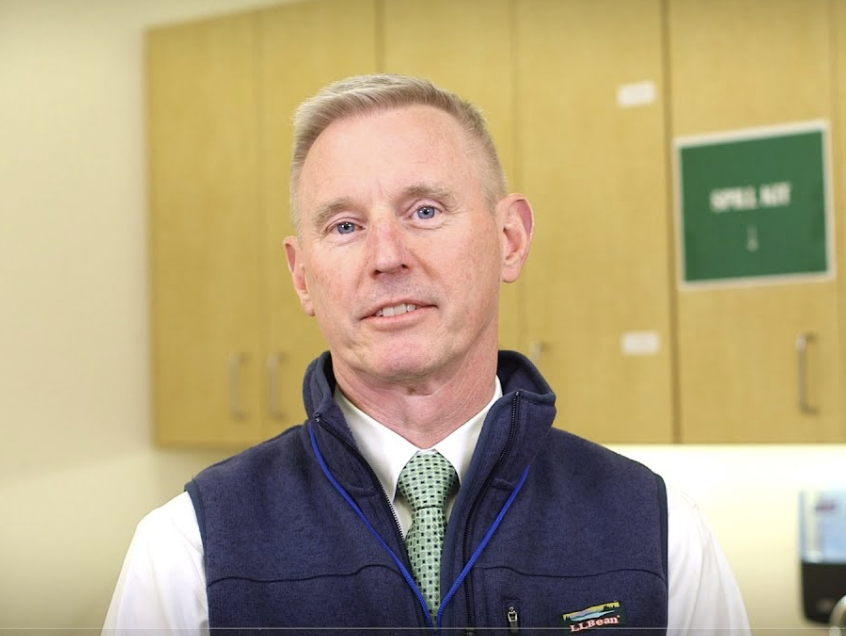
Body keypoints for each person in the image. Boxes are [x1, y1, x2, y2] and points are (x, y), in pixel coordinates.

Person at [104, 74, 750, 635]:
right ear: (303, 277)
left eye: (425, 210)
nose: (387, 257)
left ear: (511, 238)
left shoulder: (660, 531)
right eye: (345, 226)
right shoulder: (189, 548)